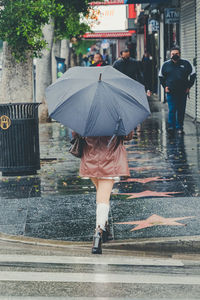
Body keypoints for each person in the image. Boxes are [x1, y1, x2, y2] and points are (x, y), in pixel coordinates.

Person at [75, 133, 133, 254]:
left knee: (101, 195)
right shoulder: (118, 114)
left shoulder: (87, 114)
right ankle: (98, 232)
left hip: (90, 157)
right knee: (103, 198)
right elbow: (128, 135)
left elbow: (75, 133)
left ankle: (105, 227)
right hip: (110, 159)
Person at [159, 46, 196, 134]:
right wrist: (165, 87)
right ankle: (171, 127)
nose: (174, 55)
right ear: (170, 55)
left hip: (183, 91)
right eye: (173, 54)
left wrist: (189, 86)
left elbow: (193, 74)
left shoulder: (186, 63)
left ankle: (180, 127)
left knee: (181, 110)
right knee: (172, 109)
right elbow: (161, 76)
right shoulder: (165, 65)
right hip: (171, 92)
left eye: (176, 54)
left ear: (180, 54)